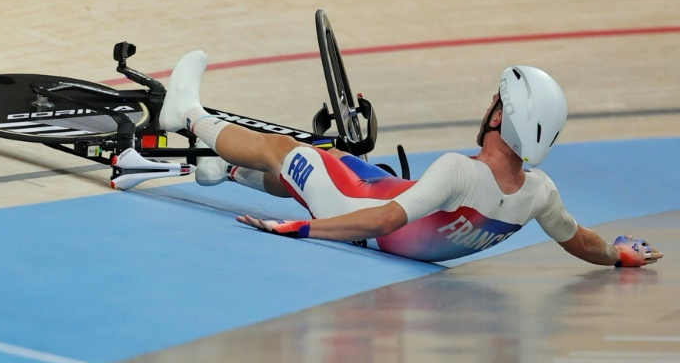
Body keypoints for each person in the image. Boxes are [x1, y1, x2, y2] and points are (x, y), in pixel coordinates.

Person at [157, 49, 662, 267]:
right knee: (339, 167)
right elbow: (583, 243)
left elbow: (382, 218)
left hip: (354, 210)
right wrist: (618, 256)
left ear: (499, 119)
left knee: (286, 151)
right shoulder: (538, 194)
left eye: (494, 102)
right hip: (380, 198)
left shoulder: (457, 172)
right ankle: (220, 169)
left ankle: (187, 115)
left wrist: (300, 229)